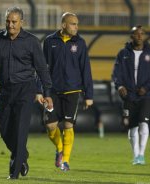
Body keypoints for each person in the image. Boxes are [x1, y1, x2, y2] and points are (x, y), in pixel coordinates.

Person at [0, 7, 53, 179]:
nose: (10, 25)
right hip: (4, 91)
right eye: (8, 21)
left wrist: (47, 92)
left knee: (21, 131)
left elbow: (42, 69)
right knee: (5, 131)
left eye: (14, 21)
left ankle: (13, 174)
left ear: (22, 22)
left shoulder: (31, 42)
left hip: (25, 89)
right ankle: (22, 156)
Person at [36, 12, 93, 171]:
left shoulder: (80, 43)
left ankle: (65, 161)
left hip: (73, 91)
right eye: (73, 24)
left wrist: (89, 95)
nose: (76, 27)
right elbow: (42, 67)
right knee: (50, 125)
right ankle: (60, 149)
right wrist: (39, 90)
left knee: (68, 125)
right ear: (63, 25)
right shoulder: (49, 41)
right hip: (52, 91)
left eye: (77, 24)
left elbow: (85, 69)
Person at [112, 25, 150, 165]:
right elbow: (116, 73)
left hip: (145, 96)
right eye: (136, 34)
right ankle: (135, 156)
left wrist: (146, 88)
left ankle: (141, 154)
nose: (140, 36)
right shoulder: (123, 54)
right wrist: (120, 86)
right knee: (132, 127)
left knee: (143, 122)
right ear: (131, 36)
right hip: (129, 96)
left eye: (142, 34)